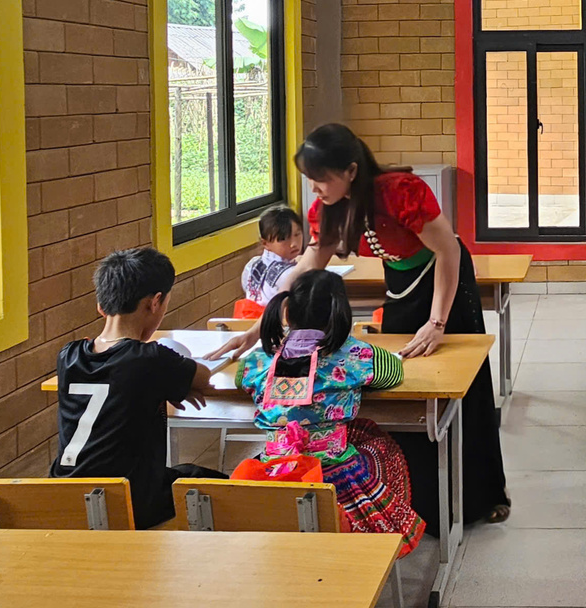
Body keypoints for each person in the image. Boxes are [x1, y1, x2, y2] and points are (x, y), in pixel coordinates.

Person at [207, 123, 508, 530]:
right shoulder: (328, 208)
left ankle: (483, 497)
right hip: (401, 283)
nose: (314, 188)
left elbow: (448, 250)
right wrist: (257, 327)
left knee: (462, 381)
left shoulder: (400, 191)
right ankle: (422, 504)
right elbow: (305, 269)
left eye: (320, 178)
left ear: (350, 171)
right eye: (309, 179)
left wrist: (437, 322)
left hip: (444, 280)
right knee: (408, 384)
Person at [237, 268, 424, 554]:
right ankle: (370, 536)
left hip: (274, 476)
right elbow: (393, 373)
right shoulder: (355, 355)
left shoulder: (259, 358)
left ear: (287, 314)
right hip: (337, 482)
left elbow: (241, 379)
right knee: (383, 449)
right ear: (340, 312)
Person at [50, 248, 225, 528]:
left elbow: (118, 384)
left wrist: (163, 385)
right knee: (225, 488)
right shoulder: (151, 359)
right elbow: (202, 377)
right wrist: (173, 382)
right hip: (130, 500)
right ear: (155, 302)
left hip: (64, 495)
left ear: (101, 306)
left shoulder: (68, 355)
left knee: (185, 473)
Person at [236, 204, 304, 317]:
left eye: (297, 234)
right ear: (265, 243)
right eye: (283, 239)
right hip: (275, 325)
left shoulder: (252, 264)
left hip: (245, 323)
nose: (294, 243)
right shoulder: (290, 273)